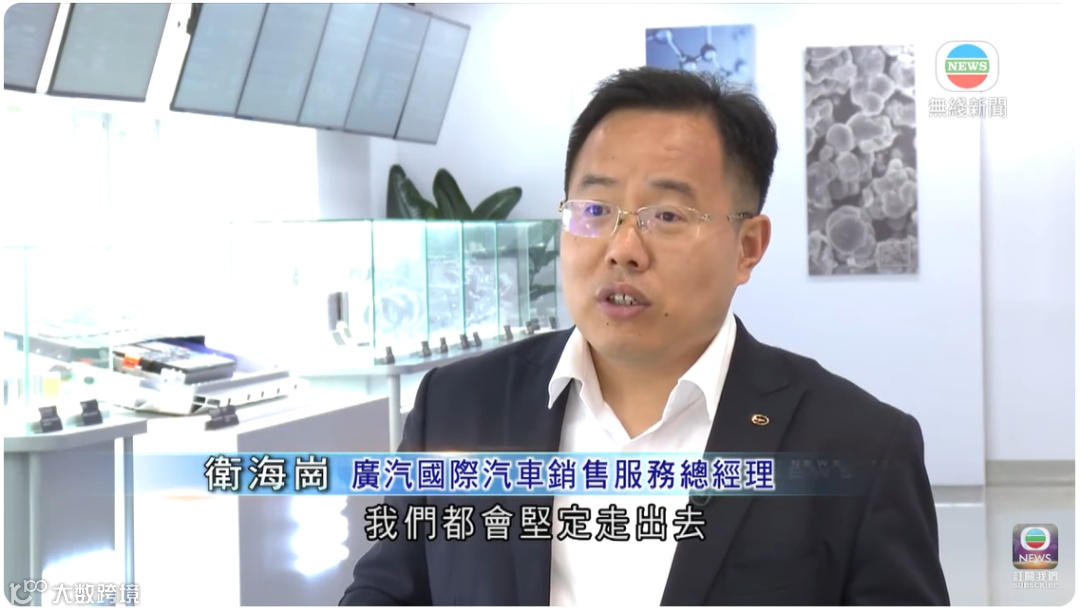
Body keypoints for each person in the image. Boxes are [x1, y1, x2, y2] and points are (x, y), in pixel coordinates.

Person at [339, 66, 950, 606]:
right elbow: (388, 591)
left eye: (667, 216)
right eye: (594, 210)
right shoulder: (457, 407)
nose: (622, 249)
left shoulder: (861, 448)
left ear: (747, 247)